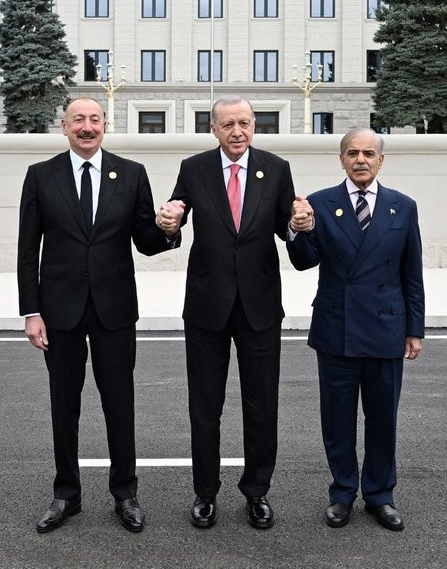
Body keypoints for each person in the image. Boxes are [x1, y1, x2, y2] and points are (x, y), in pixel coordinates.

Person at [17, 97, 175, 534]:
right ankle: (66, 494)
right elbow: (28, 250)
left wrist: (168, 229)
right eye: (78, 120)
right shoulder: (40, 175)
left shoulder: (131, 174)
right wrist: (31, 311)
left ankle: (125, 493)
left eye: (94, 120)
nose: (87, 127)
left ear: (106, 124)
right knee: (64, 405)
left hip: (115, 309)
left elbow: (145, 240)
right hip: (59, 311)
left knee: (119, 403)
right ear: (64, 126)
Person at [156, 95, 295, 530]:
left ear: (254, 126)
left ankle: (257, 491)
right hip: (206, 306)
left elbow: (287, 226)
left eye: (245, 123)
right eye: (228, 124)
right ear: (213, 129)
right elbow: (175, 215)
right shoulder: (194, 168)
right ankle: (205, 492)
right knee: (204, 406)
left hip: (259, 307)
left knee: (262, 405)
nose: (238, 132)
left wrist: (299, 225)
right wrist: (169, 224)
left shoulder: (276, 169)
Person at [286, 128, 424, 532]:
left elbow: (411, 273)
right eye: (352, 153)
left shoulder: (403, 206)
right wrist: (298, 230)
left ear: (380, 160)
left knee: (382, 419)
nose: (360, 160)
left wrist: (414, 328)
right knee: (338, 420)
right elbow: (304, 261)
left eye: (367, 153)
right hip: (337, 328)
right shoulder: (319, 203)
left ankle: (380, 495)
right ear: (342, 159)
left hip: (386, 327)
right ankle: (342, 493)